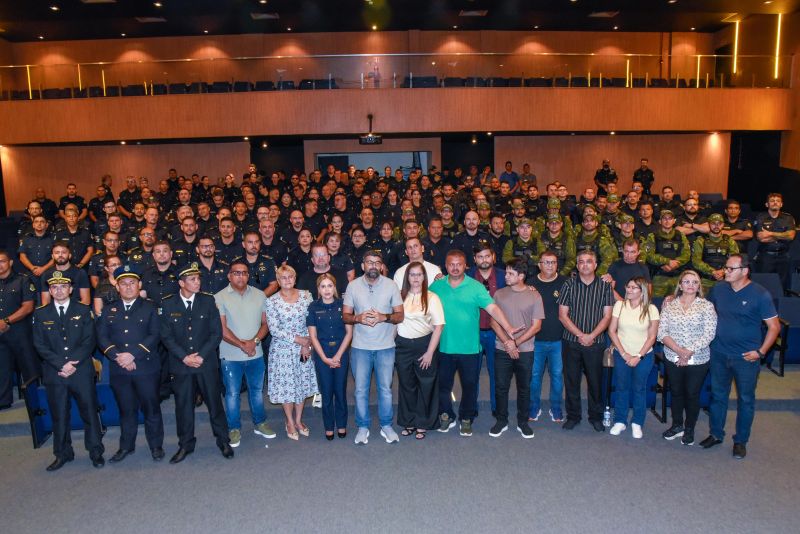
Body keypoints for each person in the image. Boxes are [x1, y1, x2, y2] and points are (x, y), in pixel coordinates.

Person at [429, 250, 521, 437]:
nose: (455, 268)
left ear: (465, 266)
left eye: (459, 264)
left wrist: (508, 327)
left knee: (470, 386)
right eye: (451, 264)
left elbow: (493, 308)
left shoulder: (476, 287)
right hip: (444, 347)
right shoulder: (436, 287)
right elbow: (420, 305)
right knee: (443, 386)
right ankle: (446, 415)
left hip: (470, 348)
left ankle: (466, 418)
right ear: (446, 266)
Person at [701, 254, 780, 459]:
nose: (725, 271)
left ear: (744, 271)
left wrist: (761, 352)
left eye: (730, 269)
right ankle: (716, 434)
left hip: (746, 358)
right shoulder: (718, 289)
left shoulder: (760, 294)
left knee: (745, 399)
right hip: (719, 353)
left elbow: (774, 327)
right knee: (718, 397)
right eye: (725, 268)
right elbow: (704, 309)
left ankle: (740, 441)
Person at [159, 263, 232, 463]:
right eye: (192, 279)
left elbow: (216, 333)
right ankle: (185, 444)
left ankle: (223, 440)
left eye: (198, 278)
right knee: (183, 407)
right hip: (181, 365)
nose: (197, 282)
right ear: (181, 283)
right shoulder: (168, 304)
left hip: (205, 363)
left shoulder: (208, 301)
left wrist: (201, 356)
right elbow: (166, 336)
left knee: (215, 404)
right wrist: (184, 357)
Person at [32, 271, 105, 471]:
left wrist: (73, 363)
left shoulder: (83, 310)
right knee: (59, 415)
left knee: (89, 411)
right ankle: (63, 453)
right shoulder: (41, 313)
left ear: (71, 289)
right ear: (50, 290)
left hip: (80, 370)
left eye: (63, 286)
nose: (59, 290)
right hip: (55, 373)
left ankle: (96, 451)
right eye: (54, 287)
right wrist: (60, 364)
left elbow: (89, 340)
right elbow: (39, 344)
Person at [96, 265, 164, 462]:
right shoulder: (109, 310)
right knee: (126, 410)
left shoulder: (150, 307)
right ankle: (126, 446)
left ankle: (156, 446)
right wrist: (119, 357)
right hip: (119, 369)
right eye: (123, 283)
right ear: (117, 287)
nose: (127, 287)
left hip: (146, 368)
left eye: (132, 283)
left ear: (139, 285)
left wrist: (133, 355)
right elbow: (101, 337)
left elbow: (155, 334)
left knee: (151, 409)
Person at [342, 249, 404, 445]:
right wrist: (358, 318)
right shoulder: (352, 286)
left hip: (386, 346)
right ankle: (363, 426)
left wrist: (383, 317)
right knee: (360, 390)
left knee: (385, 389)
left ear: (382, 266)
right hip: (360, 347)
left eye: (377, 262)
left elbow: (400, 316)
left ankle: (386, 425)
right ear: (363, 266)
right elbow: (345, 316)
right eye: (369, 262)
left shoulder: (391, 285)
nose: (373, 266)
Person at [215, 260, 275, 448]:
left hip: (255, 354)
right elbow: (222, 329)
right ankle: (233, 429)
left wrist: (254, 342)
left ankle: (260, 422)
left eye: (244, 273)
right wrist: (242, 345)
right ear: (229, 276)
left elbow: (266, 324)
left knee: (256, 391)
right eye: (236, 273)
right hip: (231, 356)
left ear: (248, 275)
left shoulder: (259, 295)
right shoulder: (219, 297)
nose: (240, 276)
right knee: (232, 394)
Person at [657, 270, 718, 446]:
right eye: (687, 282)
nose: (690, 285)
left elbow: (709, 333)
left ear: (699, 286)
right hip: (672, 355)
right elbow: (662, 332)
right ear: (680, 284)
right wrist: (678, 350)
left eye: (695, 282)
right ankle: (677, 425)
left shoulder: (706, 306)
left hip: (698, 358)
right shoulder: (670, 305)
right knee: (676, 392)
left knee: (692, 393)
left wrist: (688, 351)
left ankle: (689, 428)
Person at [558, 250, 615, 431]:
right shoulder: (568, 284)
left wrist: (591, 336)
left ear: (596, 265)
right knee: (572, 380)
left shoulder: (605, 286)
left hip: (596, 342)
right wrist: (581, 335)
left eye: (589, 262)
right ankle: (573, 416)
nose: (585, 265)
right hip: (571, 341)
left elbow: (607, 316)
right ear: (576, 265)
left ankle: (595, 416)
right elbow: (562, 315)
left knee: (595, 381)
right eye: (581, 262)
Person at [489, 258, 544, 439]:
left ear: (521, 276)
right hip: (501, 348)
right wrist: (507, 343)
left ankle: (523, 422)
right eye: (506, 272)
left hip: (526, 350)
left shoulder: (534, 295)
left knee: (524, 388)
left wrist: (516, 343)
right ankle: (501, 420)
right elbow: (493, 322)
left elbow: (536, 326)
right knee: (501, 386)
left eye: (511, 273)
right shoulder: (499, 294)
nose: (506, 276)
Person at [265, 265, 317, 440]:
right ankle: (289, 421)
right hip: (282, 350)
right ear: (278, 281)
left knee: (301, 384)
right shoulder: (271, 301)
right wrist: (298, 340)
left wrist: (306, 343)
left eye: (290, 277)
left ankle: (299, 420)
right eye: (283, 278)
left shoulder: (306, 296)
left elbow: (312, 321)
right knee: (287, 387)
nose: (287, 280)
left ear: (295, 279)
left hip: (304, 347)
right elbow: (274, 329)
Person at [395, 262, 445, 440]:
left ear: (424, 277)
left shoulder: (432, 297)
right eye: (412, 275)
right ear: (407, 277)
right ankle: (408, 421)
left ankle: (423, 423)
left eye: (419, 275)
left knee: (426, 385)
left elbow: (438, 327)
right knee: (406, 385)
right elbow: (395, 322)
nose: (415, 278)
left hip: (425, 345)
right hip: (403, 346)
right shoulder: (399, 297)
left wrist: (430, 352)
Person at [606, 277, 660, 439]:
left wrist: (638, 356)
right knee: (622, 387)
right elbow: (612, 331)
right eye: (628, 287)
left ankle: (637, 422)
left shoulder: (651, 309)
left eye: (634, 288)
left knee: (639, 389)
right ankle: (620, 421)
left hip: (643, 356)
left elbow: (652, 337)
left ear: (642, 291)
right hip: (622, 354)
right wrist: (623, 354)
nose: (629, 290)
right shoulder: (619, 305)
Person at [307, 273, 353, 440]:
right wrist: (325, 358)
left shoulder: (344, 305)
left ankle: (341, 424)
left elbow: (349, 333)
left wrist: (339, 356)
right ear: (318, 289)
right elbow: (313, 336)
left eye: (329, 286)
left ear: (335, 287)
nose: (326, 290)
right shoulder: (313, 306)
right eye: (323, 286)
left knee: (340, 391)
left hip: (341, 353)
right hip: (322, 355)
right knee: (326, 392)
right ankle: (328, 426)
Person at [529, 251, 566, 423]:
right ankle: (533, 408)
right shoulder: (530, 283)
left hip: (558, 339)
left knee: (557, 375)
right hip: (536, 339)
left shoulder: (565, 282)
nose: (550, 265)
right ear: (539, 264)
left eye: (553, 262)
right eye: (546, 262)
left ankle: (556, 408)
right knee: (535, 375)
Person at [0, 250, 39, 410]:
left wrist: (6, 320)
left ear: (10, 263)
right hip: (0, 334)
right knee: (1, 369)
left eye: (2, 261)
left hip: (20, 333)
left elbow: (28, 306)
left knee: (29, 368)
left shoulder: (23, 280)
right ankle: (3, 401)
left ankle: (36, 402)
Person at [753, 193, 796, 288]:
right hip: (766, 256)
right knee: (763, 285)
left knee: (783, 286)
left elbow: (791, 236)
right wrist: (783, 235)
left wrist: (770, 233)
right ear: (767, 204)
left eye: (778, 201)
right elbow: (761, 238)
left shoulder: (788, 218)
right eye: (772, 201)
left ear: (781, 204)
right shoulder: (760, 217)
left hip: (783, 256)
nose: (775, 203)